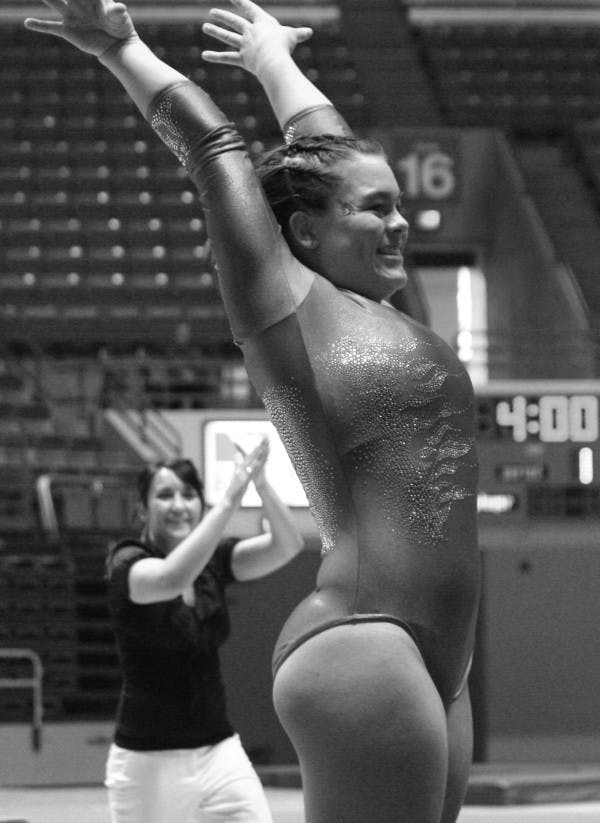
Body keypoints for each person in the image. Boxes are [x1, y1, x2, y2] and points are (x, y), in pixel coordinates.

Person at [25, 3, 481, 821]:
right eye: (377, 209)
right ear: (305, 229)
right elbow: (213, 148)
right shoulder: (282, 303)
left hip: (440, 658)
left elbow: (330, 154)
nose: (401, 222)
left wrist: (273, 59)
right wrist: (124, 49)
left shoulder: (396, 313)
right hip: (365, 641)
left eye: (398, 204)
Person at [100, 439, 304, 823]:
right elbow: (173, 577)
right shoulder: (126, 562)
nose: (179, 505)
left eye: (189, 494)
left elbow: (287, 545)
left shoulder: (215, 560)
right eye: (165, 495)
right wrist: (228, 501)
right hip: (147, 762)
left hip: (218, 751)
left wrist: (260, 483)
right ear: (142, 509)